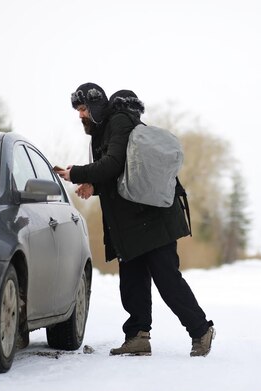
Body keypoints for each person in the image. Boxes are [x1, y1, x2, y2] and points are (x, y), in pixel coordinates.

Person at [58, 83, 215, 357]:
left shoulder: (118, 122)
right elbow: (122, 174)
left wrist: (78, 173)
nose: (80, 115)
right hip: (131, 222)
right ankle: (137, 337)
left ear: (94, 106)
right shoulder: (104, 130)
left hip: (153, 219)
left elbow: (114, 164)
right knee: (132, 281)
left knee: (167, 280)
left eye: (82, 109)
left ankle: (201, 330)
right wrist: (94, 186)